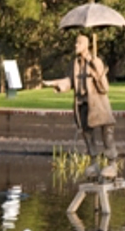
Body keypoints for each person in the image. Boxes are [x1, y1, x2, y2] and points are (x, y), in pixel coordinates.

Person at [43, 34, 118, 179]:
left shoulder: (96, 61)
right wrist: (57, 84)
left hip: (98, 104)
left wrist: (97, 71)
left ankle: (112, 164)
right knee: (87, 134)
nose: (75, 46)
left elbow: (104, 87)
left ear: (85, 45)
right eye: (75, 43)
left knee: (107, 134)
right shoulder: (75, 63)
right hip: (82, 104)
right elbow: (70, 80)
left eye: (78, 43)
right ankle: (94, 163)